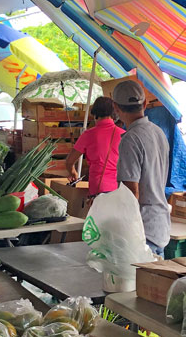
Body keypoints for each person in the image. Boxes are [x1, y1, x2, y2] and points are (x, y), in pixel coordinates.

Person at [113, 79, 171, 256]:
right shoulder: (158, 132)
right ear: (145, 104)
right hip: (160, 225)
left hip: (142, 230)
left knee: (137, 283)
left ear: (116, 108)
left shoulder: (130, 139)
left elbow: (131, 192)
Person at [65, 96, 125, 197]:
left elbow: (69, 161)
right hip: (120, 187)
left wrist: (73, 172)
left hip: (98, 186)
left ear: (95, 114)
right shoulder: (124, 134)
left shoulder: (88, 134)